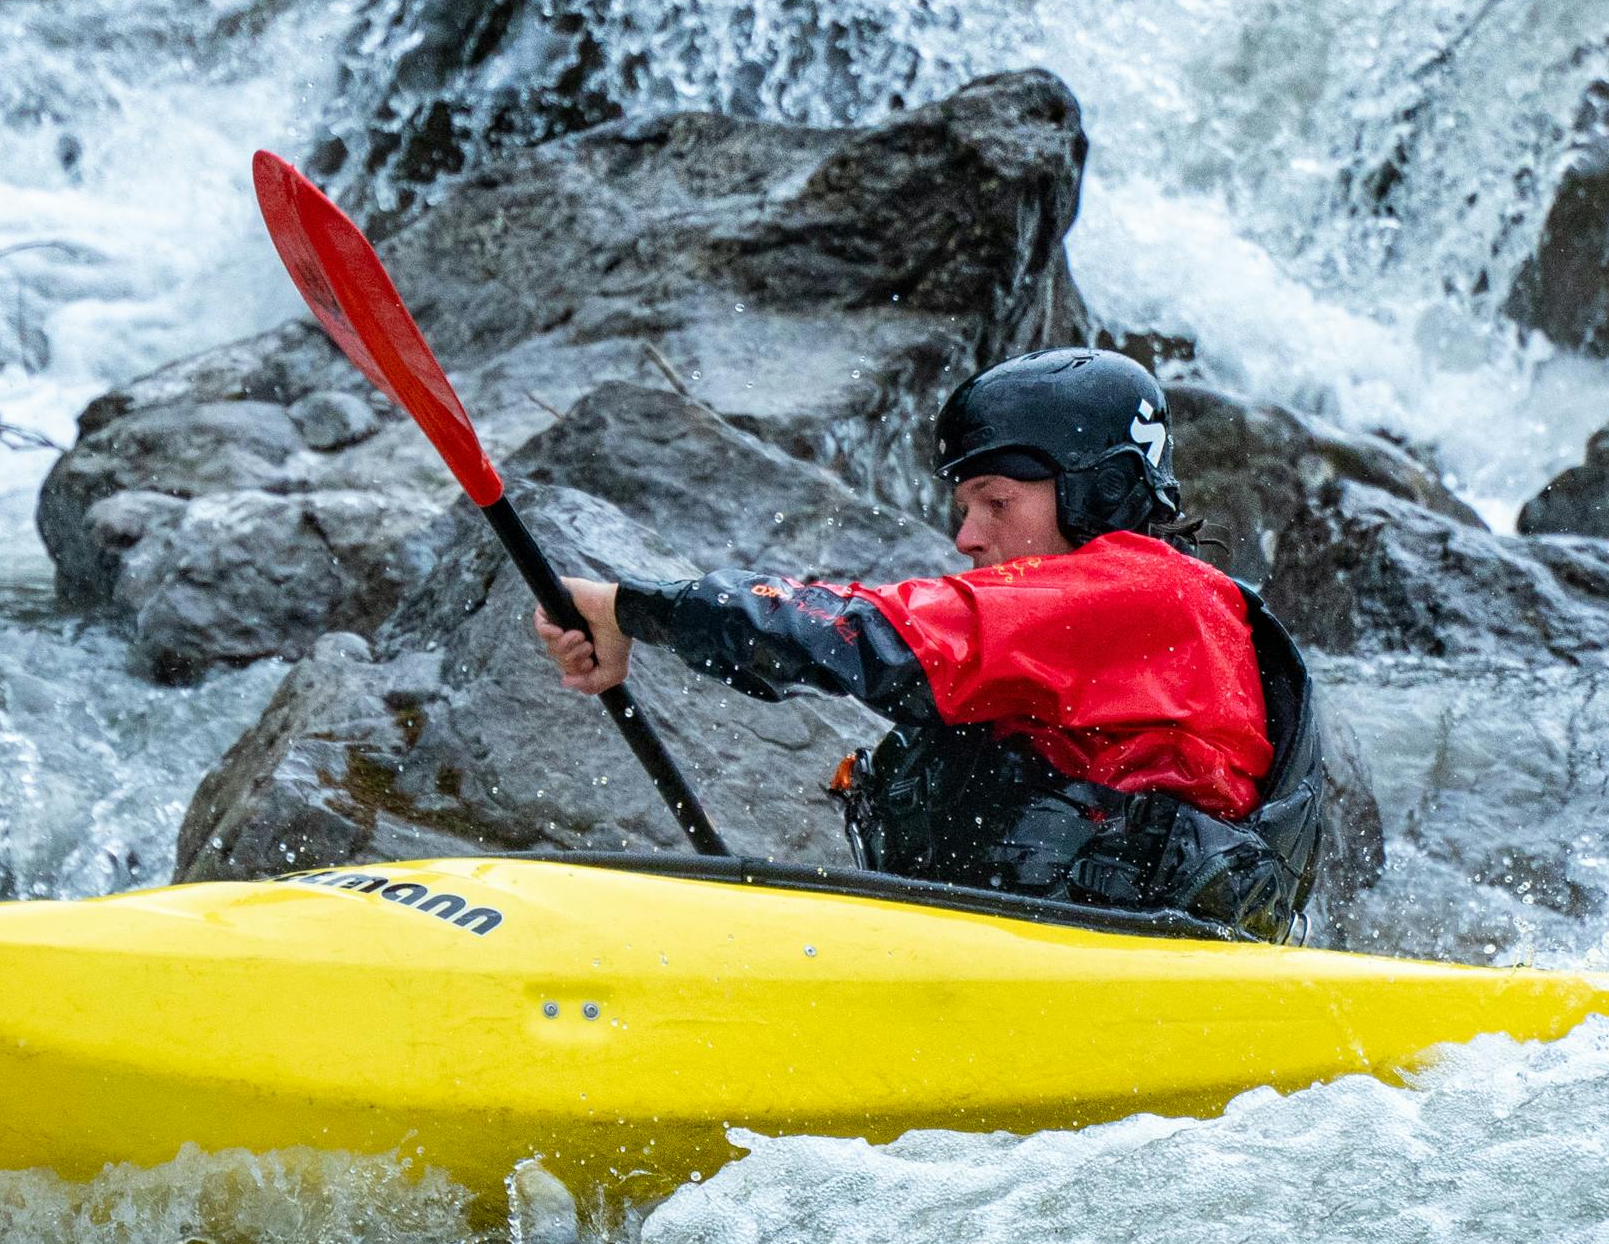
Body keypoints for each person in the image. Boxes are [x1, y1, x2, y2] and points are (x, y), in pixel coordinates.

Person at [533, 349, 1337, 939]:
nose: (965, 536)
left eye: (996, 501)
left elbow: (859, 637)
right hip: (1063, 949)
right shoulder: (1135, 620)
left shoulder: (1143, 592)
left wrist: (629, 606)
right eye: (964, 505)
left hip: (1106, 962)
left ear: (1101, 493)